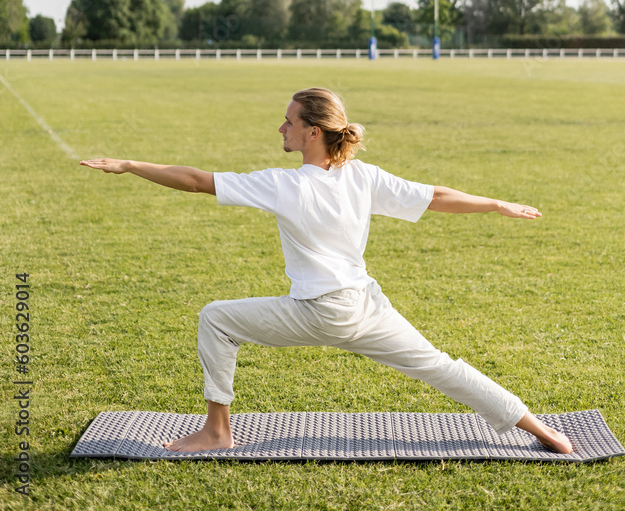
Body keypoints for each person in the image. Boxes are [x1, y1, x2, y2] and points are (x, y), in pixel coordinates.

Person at [80, 86, 572, 455]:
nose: (282, 129)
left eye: (289, 122)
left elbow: (193, 181)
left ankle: (216, 431)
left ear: (312, 131)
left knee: (216, 318)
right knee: (442, 367)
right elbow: (436, 197)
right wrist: (497, 203)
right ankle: (541, 430)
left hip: (321, 311)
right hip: (366, 306)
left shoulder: (284, 185)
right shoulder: (362, 176)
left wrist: (128, 164)